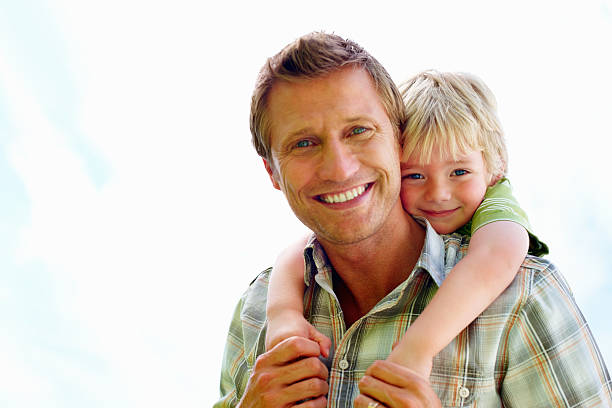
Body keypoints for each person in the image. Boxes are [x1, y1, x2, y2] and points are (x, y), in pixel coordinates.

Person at [215, 32, 612, 407]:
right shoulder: (256, 309)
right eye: (303, 143)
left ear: (396, 137)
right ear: (272, 173)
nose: (338, 168)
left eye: (358, 131)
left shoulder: (522, 296)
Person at [264, 69, 549, 380]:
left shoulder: (497, 206)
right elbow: (303, 250)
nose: (439, 194)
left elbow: (494, 259)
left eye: (460, 172)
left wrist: (418, 348)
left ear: (495, 166)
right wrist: (283, 314)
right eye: (415, 175)